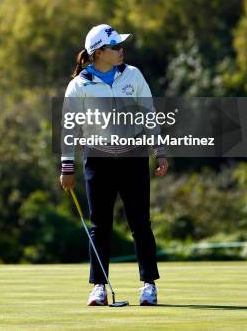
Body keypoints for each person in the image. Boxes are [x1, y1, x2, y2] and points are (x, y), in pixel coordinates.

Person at [59, 24, 168, 306]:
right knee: (100, 226)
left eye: (121, 46)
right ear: (99, 52)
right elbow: (69, 128)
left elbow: (149, 114)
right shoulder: (79, 85)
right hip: (98, 160)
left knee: (140, 224)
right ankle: (98, 287)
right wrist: (67, 166)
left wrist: (160, 150)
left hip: (133, 158)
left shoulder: (133, 75)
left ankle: (148, 285)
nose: (121, 50)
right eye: (115, 47)